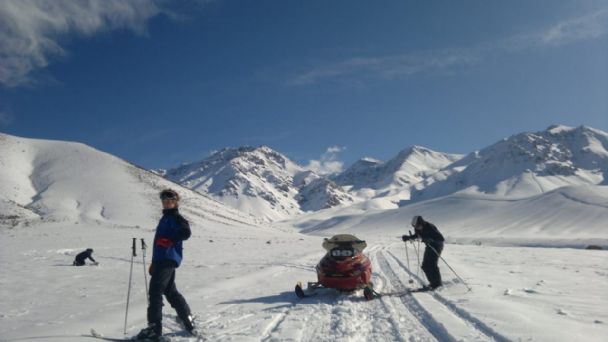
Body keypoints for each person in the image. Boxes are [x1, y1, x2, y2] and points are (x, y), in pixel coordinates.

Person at [135, 189, 195, 341]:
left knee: (155, 292)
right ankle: (188, 320)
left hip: (167, 259)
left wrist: (171, 240)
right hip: (163, 260)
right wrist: (154, 263)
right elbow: (159, 244)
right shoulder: (166, 218)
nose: (167, 203)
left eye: (170, 201)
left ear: (176, 202)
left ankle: (154, 330)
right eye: (165, 201)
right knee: (171, 292)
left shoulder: (175, 217)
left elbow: (186, 232)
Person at [402, 215, 444, 290]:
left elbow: (441, 239)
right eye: (414, 226)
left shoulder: (430, 227)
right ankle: (432, 283)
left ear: (421, 223)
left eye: (417, 226)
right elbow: (417, 236)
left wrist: (430, 240)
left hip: (437, 246)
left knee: (432, 265)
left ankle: (437, 284)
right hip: (429, 246)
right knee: (425, 266)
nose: (416, 228)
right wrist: (408, 237)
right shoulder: (417, 229)